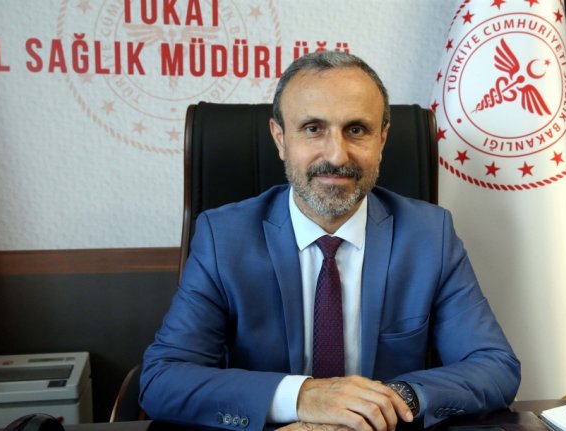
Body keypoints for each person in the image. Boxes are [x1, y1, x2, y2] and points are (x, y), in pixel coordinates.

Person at [139, 51, 520, 431]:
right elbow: (163, 379)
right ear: (280, 138)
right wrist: (304, 398)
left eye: (357, 130)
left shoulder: (429, 235)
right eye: (312, 128)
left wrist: (383, 403)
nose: (337, 156)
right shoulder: (223, 237)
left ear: (382, 139)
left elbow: (494, 365)